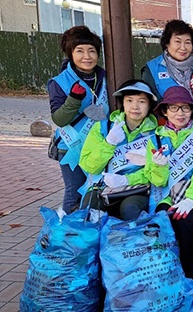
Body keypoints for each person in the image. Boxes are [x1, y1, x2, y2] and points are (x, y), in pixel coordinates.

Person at [145, 86, 193, 279]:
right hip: (166, 196)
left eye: (185, 108)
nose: (180, 113)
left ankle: (187, 274)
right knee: (160, 222)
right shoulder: (156, 139)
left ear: (192, 111)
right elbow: (156, 181)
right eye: (174, 108)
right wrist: (159, 167)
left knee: (186, 221)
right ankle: (163, 273)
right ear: (165, 111)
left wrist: (190, 200)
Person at [48, 25, 109, 213]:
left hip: (101, 144)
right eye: (80, 51)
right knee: (74, 192)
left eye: (92, 51)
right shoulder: (59, 82)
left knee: (99, 191)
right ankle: (66, 236)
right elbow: (59, 118)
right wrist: (74, 99)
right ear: (70, 53)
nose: (87, 56)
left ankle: (90, 234)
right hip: (72, 145)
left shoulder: (107, 76)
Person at [79, 79, 158, 220]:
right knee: (87, 213)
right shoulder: (103, 127)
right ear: (122, 103)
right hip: (103, 186)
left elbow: (158, 173)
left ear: (149, 105)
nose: (135, 106)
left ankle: (134, 242)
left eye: (141, 101)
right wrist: (109, 143)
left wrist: (126, 180)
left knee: (129, 209)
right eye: (129, 101)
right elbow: (89, 166)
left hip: (138, 188)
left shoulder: (157, 134)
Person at [142, 19, 193, 130]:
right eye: (177, 41)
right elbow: (150, 103)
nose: (183, 47)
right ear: (167, 42)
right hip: (166, 134)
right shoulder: (152, 69)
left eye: (187, 42)